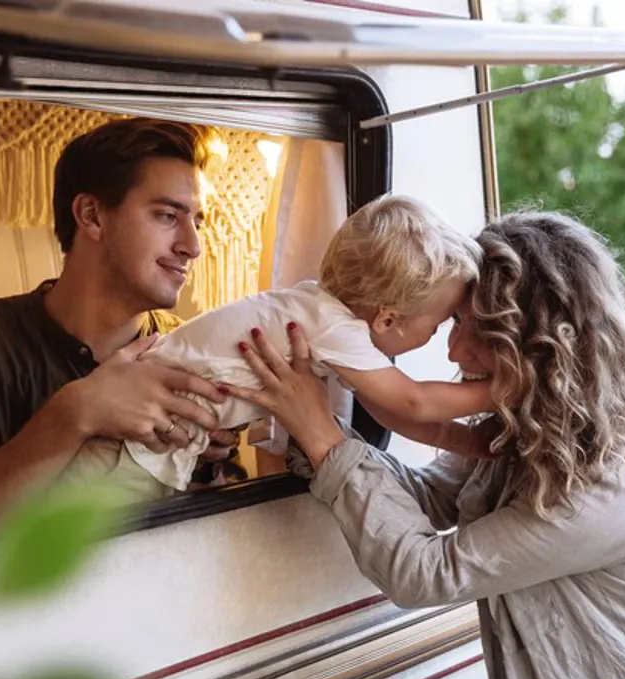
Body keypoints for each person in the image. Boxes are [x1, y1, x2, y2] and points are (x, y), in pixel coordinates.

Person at [225, 211, 625, 679]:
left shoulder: (616, 483)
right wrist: (315, 433)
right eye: (454, 320)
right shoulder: (530, 436)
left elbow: (429, 571)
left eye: (476, 329)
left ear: (539, 344)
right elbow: (428, 499)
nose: (453, 346)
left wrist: (324, 440)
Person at [0, 117, 240, 549]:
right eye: (167, 215)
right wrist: (75, 413)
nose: (193, 246)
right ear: (91, 215)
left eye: (197, 220)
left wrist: (208, 469)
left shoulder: (194, 350)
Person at [65, 194, 497, 496]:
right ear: (388, 317)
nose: (440, 339)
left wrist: (472, 443)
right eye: (440, 325)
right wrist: (509, 387)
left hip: (140, 438)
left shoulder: (317, 311)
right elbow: (414, 402)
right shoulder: (333, 328)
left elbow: (397, 414)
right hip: (131, 445)